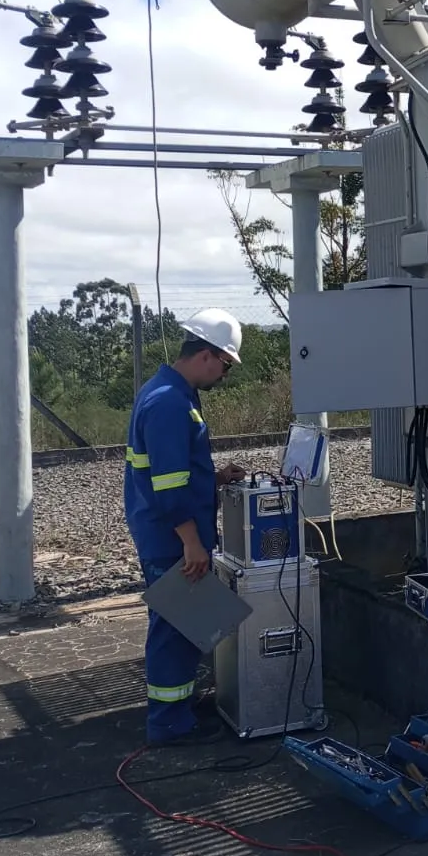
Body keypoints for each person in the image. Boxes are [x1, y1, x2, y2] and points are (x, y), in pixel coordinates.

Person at [124, 308, 246, 744]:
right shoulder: (169, 403)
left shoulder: (171, 392)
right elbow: (169, 486)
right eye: (225, 367)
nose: (223, 377)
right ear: (208, 355)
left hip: (167, 530)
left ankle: (179, 707)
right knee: (174, 626)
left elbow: (171, 469)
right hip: (171, 536)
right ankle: (169, 724)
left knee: (188, 622)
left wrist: (213, 478)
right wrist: (192, 543)